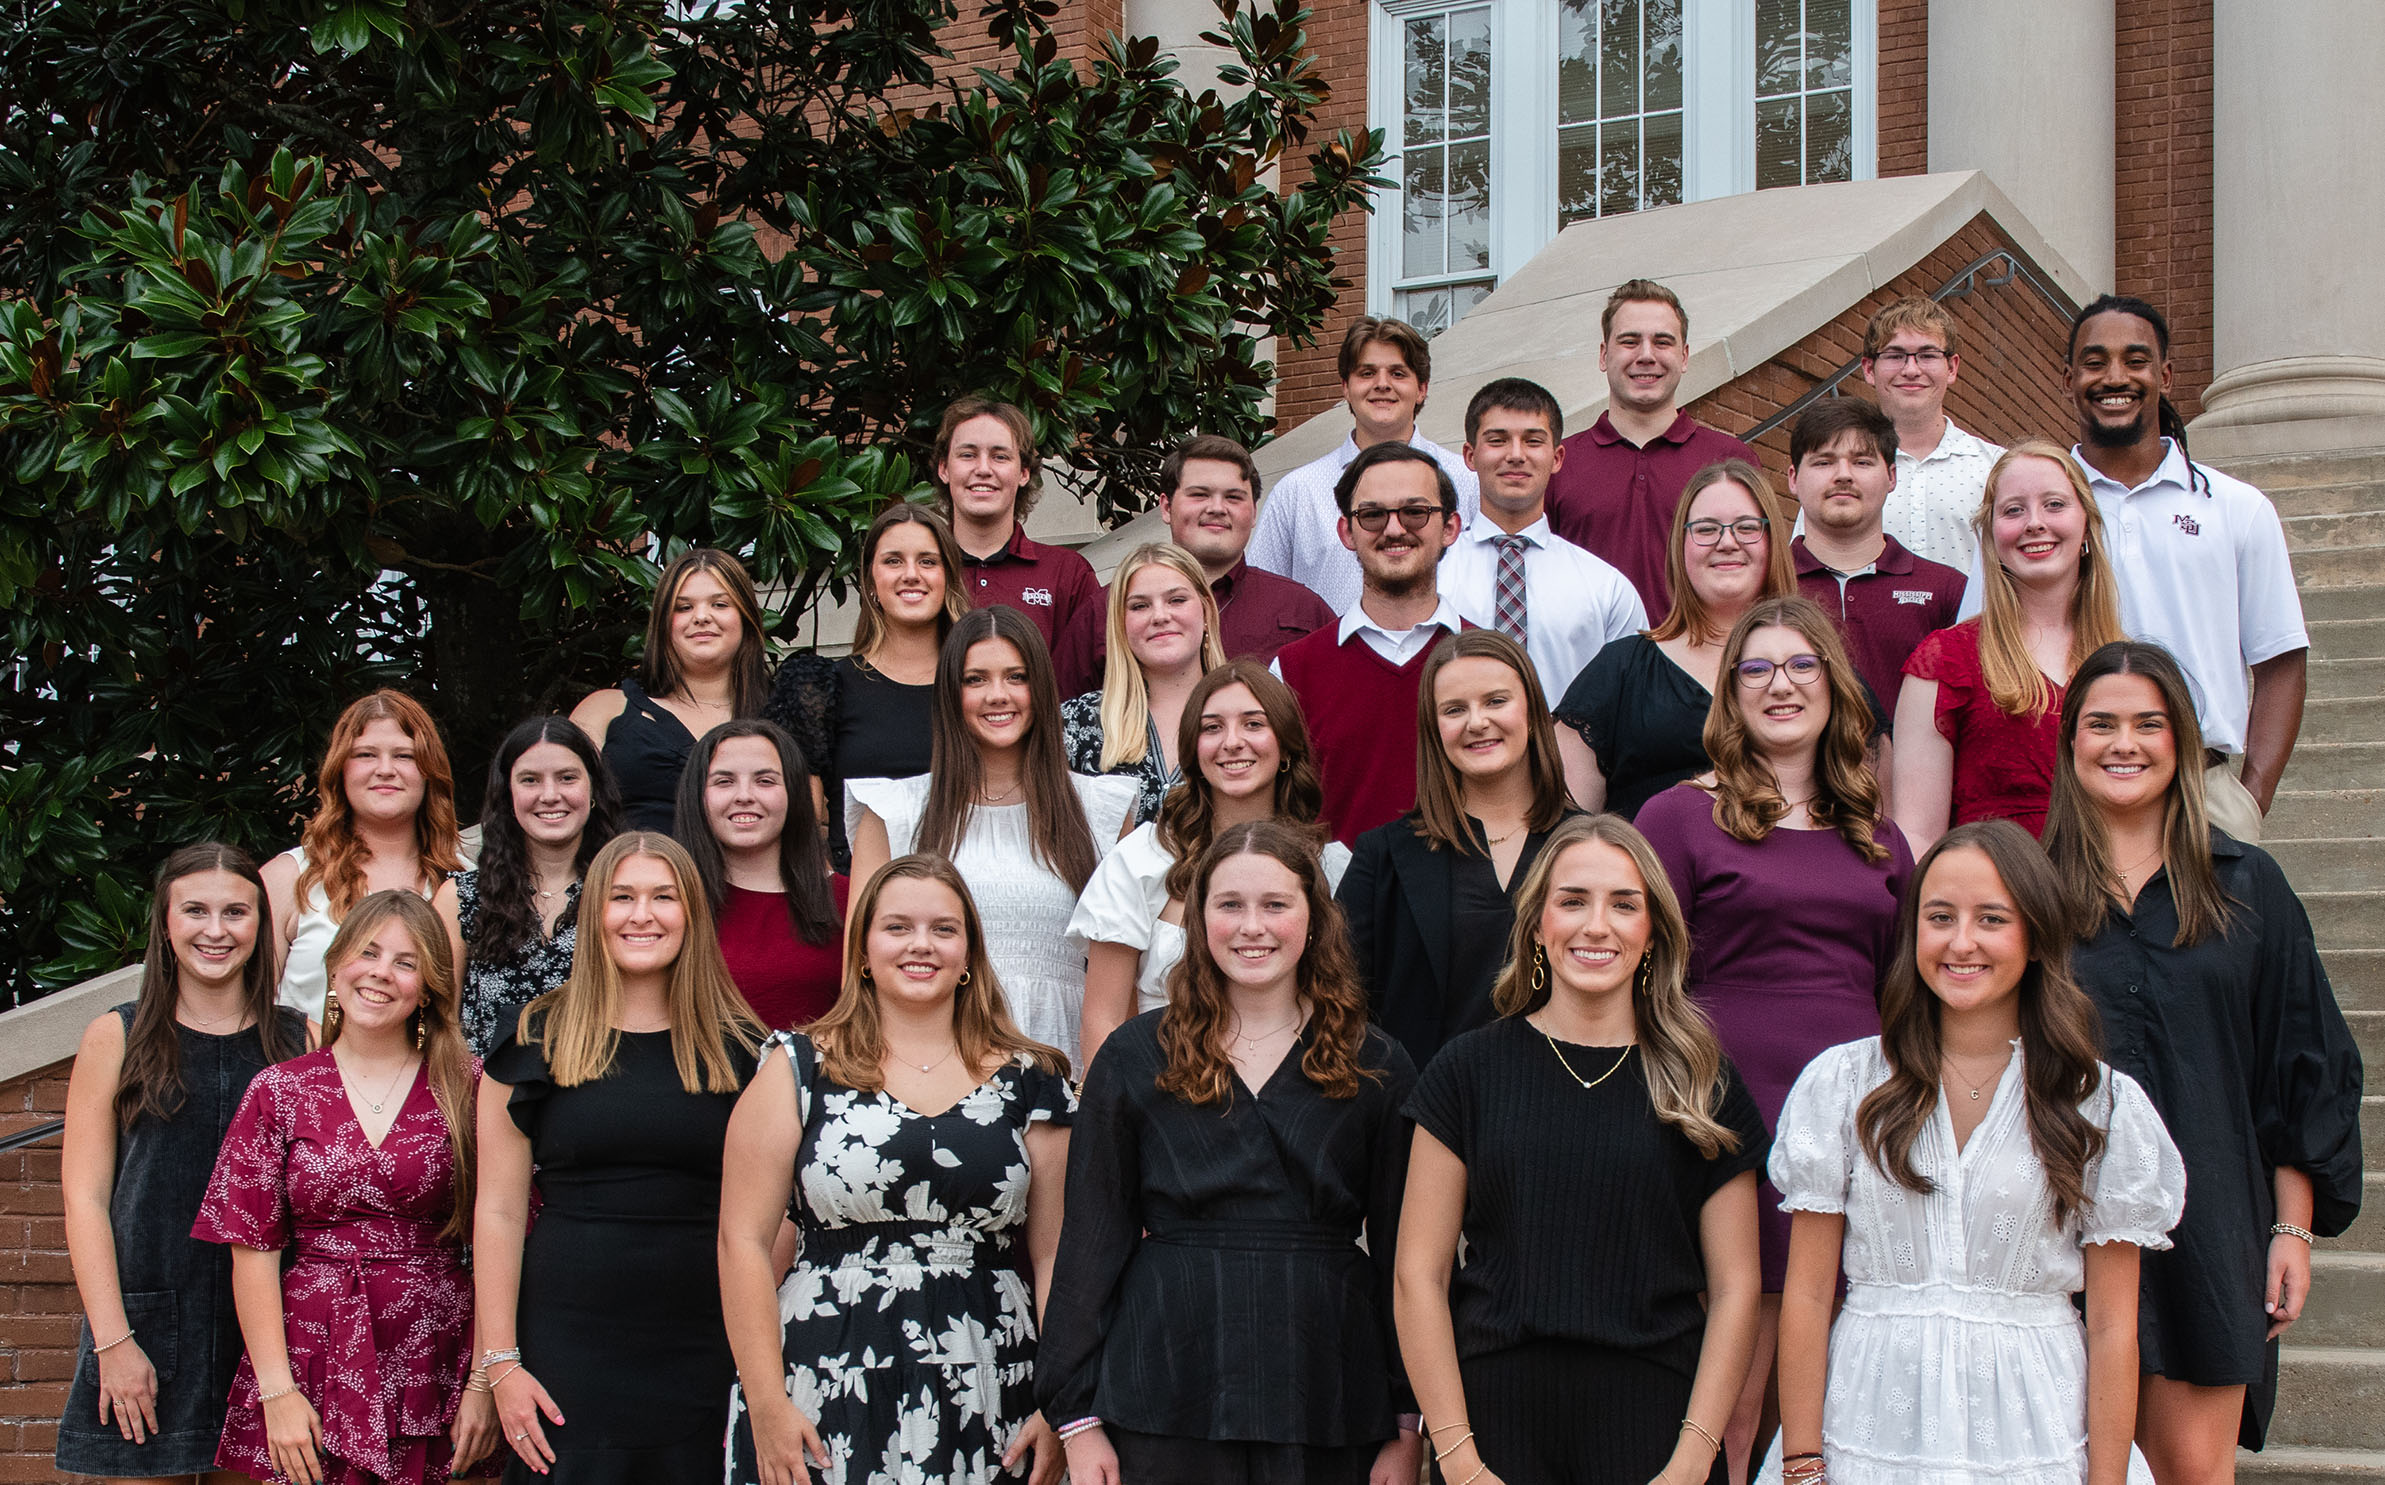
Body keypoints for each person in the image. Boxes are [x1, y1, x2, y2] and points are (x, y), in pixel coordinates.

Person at [1771, 820, 2186, 1485]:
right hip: (1868, 1433)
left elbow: (2111, 1326)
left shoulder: (2099, 1103)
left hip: (2034, 1434)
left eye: (1990, 918)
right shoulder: (1842, 1084)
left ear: (2035, 936)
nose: (1960, 941)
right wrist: (1801, 1463)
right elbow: (1809, 1291)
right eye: (1940, 916)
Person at [2044, 641, 2363, 1470]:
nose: (2124, 743)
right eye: (2101, 723)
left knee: (2193, 1470)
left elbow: (2298, 1066)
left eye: (2149, 724)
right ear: (2069, 742)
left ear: (2183, 742)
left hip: (2211, 1223)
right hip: (2053, 1228)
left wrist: (2290, 1226)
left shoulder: (2249, 888)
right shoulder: (2029, 893)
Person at [1038, 822, 1423, 1484]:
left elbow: (1400, 1256)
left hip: (1326, 1383)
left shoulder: (1378, 1063)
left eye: (1275, 904)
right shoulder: (1134, 1055)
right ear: (1197, 917)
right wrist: (1077, 1417)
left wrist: (1405, 1418)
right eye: (1229, 904)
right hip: (1163, 1375)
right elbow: (1091, 1240)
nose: (1253, 926)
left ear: (1314, 916)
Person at [1395, 812, 1768, 1485]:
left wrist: (1693, 1456)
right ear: (1538, 923)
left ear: (1651, 929)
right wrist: (1457, 1457)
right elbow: (1416, 1276)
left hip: (1659, 1427)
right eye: (1572, 901)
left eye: (1623, 904)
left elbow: (1737, 1286)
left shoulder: (1701, 1080)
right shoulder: (1466, 1071)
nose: (1596, 924)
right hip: (1495, 1428)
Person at [1635, 596, 1916, 1476]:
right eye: (1755, 668)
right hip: (1727, 1113)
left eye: (1801, 664)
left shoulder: (1881, 839)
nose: (1780, 684)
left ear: (1834, 685)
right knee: (1735, 1391)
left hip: (1854, 1121)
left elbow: (1903, 991)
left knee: (1827, 1382)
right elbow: (1644, 980)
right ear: (1729, 693)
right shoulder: (1676, 818)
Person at [720, 854, 1073, 1485]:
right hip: (823, 1368)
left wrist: (1061, 1402)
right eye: (897, 927)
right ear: (861, 950)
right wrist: (767, 1401)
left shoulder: (1033, 1080)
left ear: (970, 953)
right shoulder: (795, 1067)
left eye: (944, 929)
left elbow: (1055, 1256)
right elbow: (741, 1241)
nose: (921, 945)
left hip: (990, 1367)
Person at [474, 832, 765, 1483]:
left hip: (708, 1342)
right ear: (592, 913)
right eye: (622, 896)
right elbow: (496, 1208)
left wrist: (757, 1358)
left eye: (663, 896)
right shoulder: (530, 1036)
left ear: (691, 912)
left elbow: (776, 1218)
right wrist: (501, 1363)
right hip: (566, 1343)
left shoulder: (746, 1049)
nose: (642, 914)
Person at [194, 891, 493, 1485]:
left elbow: (500, 1236)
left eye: (407, 962)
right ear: (336, 966)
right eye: (368, 952)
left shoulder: (469, 1086)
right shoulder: (278, 1090)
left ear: (428, 986)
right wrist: (276, 1392)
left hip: (436, 1353)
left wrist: (485, 1382)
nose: (382, 972)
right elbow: (252, 1253)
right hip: (310, 1352)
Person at [58, 845, 308, 1484]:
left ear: (261, 922)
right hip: (144, 1325)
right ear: (166, 924)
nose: (216, 930)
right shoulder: (116, 1036)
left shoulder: (296, 1040)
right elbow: (85, 1199)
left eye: (236, 912)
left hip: (268, 1333)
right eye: (195, 910)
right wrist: (113, 1341)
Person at [2062, 295, 2309, 844]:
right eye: (2095, 361)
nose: (2115, 377)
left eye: (2135, 359)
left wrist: (2250, 797)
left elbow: (2281, 660)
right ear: (2070, 378)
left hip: (2206, 787)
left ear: (2166, 374)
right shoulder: (2035, 510)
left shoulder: (2237, 508)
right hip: (2068, 786)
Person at [850, 607, 1138, 1071]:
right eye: (976, 680)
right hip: (931, 1070)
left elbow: (1127, 984)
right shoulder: (894, 811)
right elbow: (860, 969)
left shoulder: (1100, 811)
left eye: (1016, 677)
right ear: (950, 693)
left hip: (1067, 1068)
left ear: (1040, 689)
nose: (997, 695)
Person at [1069, 661, 1354, 1066]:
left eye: (1254, 724)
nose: (1232, 742)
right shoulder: (1141, 858)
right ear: (1193, 748)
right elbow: (1103, 1019)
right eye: (1212, 727)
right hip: (1161, 1097)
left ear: (1287, 745)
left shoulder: (1332, 866)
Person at [1340, 630, 1581, 1070]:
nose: (1476, 722)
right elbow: (1339, 996)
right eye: (1455, 709)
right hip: (1426, 1117)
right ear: (1434, 729)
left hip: (1569, 1110)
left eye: (1495, 701)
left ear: (1531, 712)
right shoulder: (1384, 856)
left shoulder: (1591, 846)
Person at [1892, 444, 2124, 851]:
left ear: (2087, 526)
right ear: (1991, 535)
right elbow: (1918, 838)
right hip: (1997, 900)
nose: (2034, 523)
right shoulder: (1945, 660)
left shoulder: (2124, 663)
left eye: (2054, 505)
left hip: (2114, 902)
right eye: (2014, 510)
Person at [1554, 461, 1797, 820]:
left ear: (1773, 541)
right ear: (1680, 547)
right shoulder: (1619, 670)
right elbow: (1568, 829)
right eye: (1706, 529)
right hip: (1653, 873)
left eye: (1746, 528)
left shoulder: (1816, 666)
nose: (1727, 542)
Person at [1273, 441, 1470, 846]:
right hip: (1336, 906)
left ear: (1450, 527)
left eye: (1415, 512)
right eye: (1373, 514)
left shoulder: (1493, 662)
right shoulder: (1292, 672)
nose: (1394, 529)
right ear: (1346, 531)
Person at [769, 501, 970, 873]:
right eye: (893, 561)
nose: (911, 574)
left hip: (972, 891)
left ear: (949, 577)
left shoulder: (979, 686)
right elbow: (799, 820)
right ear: (870, 581)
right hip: (859, 897)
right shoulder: (821, 687)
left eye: (928, 561)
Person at [1544, 280, 1760, 617]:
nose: (1646, 356)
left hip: (1700, 663)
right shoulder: (1557, 464)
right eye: (1630, 342)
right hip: (1589, 666)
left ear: (1684, 356)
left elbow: (1758, 578)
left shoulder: (1730, 460)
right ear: (1604, 355)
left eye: (1662, 342)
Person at [1247, 316, 1482, 614]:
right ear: (1346, 387)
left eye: (1398, 373)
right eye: (1367, 373)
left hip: (1443, 657)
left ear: (1421, 388)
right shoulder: (1298, 492)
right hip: (1331, 659)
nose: (1382, 385)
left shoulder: (1467, 481)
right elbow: (1260, 598)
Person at [1054, 435, 1336, 679]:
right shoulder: (1104, 612)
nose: (1217, 508)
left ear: (1253, 512)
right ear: (1165, 508)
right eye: (1200, 495)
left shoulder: (1302, 611)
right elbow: (1059, 724)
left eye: (1234, 497)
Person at [265, 688, 469, 1020]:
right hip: (304, 1066)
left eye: (404, 756)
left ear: (430, 771)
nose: (385, 769)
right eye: (365, 755)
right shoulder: (289, 877)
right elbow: (247, 1016)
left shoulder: (467, 882)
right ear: (339, 770)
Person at [1442, 376, 1648, 701]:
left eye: (1533, 441)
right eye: (1497, 440)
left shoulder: (1606, 588)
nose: (1515, 454)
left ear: (1557, 458)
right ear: (1469, 455)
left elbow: (1634, 702)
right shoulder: (1432, 578)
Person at [434, 716, 625, 1058]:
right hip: (483, 1100)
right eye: (530, 780)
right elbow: (441, 1022)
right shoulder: (461, 898)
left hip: (599, 1098)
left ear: (593, 788)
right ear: (507, 793)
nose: (550, 795)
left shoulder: (625, 893)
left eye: (567, 778)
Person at [1785, 398, 1964, 718]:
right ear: (1793, 478)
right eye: (1824, 462)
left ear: (1892, 476)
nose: (1843, 475)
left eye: (1862, 462)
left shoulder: (1948, 591)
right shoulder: (1762, 584)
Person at [572, 547, 770, 833]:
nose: (701, 617)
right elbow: (559, 800)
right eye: (683, 607)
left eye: (720, 604)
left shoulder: (782, 713)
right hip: (630, 873)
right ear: (664, 623)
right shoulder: (604, 710)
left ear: (746, 618)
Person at [676, 719, 846, 1030]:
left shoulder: (850, 900)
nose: (744, 795)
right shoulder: (669, 902)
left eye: (765, 781)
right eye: (724, 781)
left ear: (794, 794)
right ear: (698, 796)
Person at [932, 396, 1103, 689]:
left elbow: (1090, 690)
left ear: (1024, 473)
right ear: (944, 469)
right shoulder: (921, 570)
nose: (983, 469)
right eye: (968, 455)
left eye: (1000, 456)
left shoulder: (1068, 574)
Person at [1059, 541, 1229, 824]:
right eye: (1140, 606)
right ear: (1119, 623)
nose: (1160, 616)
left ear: (1207, 612)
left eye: (1176, 600)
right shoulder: (1077, 723)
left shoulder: (1253, 717)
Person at [1858, 295, 2005, 572]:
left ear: (1952, 368)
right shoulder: (1837, 471)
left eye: (1927, 355)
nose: (1911, 370)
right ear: (1869, 369)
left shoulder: (1996, 468)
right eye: (1895, 356)